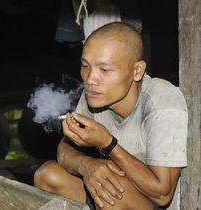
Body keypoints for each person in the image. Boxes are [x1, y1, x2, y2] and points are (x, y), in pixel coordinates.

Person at [34, 22, 188, 210]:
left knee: (110, 191)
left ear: (137, 71)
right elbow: (64, 149)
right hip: (114, 195)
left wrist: (108, 143)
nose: (90, 79)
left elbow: (162, 194)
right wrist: (86, 164)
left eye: (104, 70)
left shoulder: (161, 103)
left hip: (151, 204)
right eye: (85, 66)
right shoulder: (95, 94)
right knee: (47, 176)